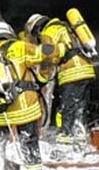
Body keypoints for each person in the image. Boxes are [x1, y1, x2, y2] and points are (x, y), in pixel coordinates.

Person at [0, 21, 48, 170]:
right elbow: (46, 54)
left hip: (1, 110)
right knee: (29, 142)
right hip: (26, 107)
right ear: (9, 33)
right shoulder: (21, 46)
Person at [25, 13, 95, 143]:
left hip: (71, 73)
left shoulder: (48, 33)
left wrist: (42, 78)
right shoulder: (66, 27)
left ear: (37, 29)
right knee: (80, 105)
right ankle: (80, 135)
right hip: (87, 70)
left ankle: (65, 137)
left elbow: (48, 58)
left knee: (66, 107)